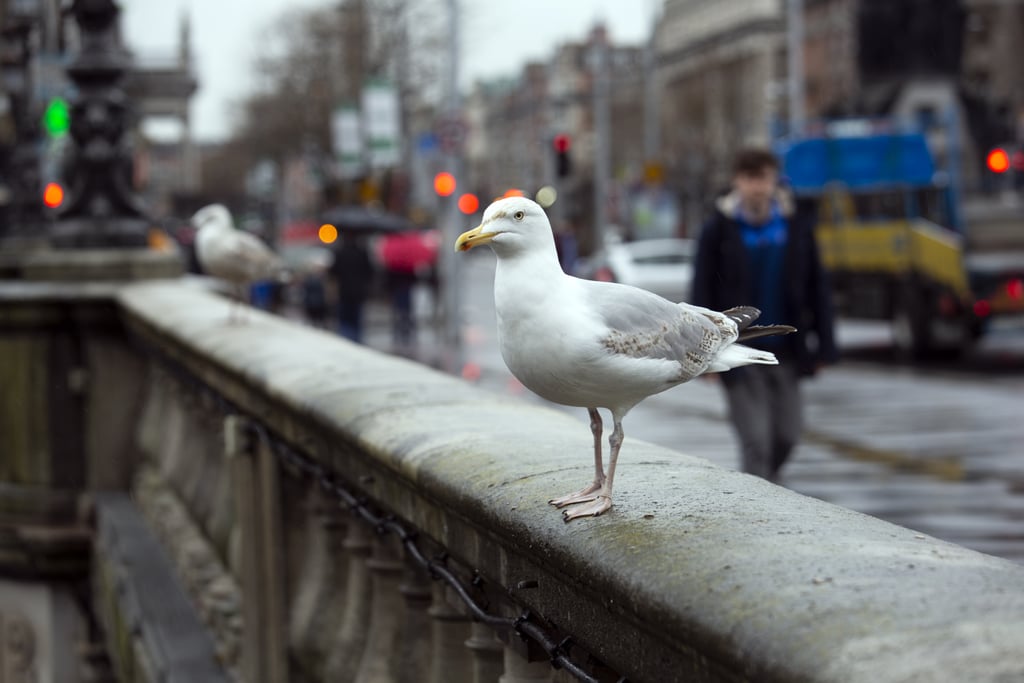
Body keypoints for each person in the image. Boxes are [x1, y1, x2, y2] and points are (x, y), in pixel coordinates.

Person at [691, 147, 839, 483]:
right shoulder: (718, 231)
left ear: (774, 181)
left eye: (764, 178)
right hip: (737, 351)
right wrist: (703, 354)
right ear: (737, 182)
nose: (757, 187)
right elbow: (702, 292)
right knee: (755, 440)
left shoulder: (795, 227)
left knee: (787, 434)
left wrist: (825, 346)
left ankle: (768, 486)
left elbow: (818, 287)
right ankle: (761, 511)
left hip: (787, 350)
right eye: (750, 179)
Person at [330, 230, 374, 342]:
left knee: (344, 319)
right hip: (358, 291)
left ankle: (346, 340)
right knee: (356, 319)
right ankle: (356, 340)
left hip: (343, 290)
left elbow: (333, 271)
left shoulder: (339, 252)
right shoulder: (362, 252)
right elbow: (369, 272)